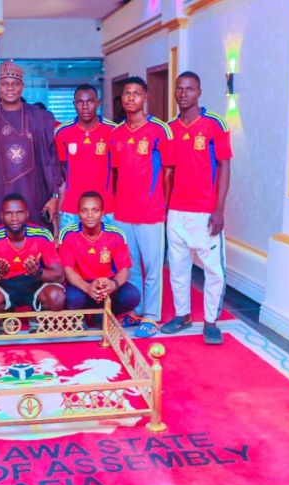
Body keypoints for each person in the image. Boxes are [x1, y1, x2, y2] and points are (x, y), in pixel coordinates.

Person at [161, 71, 233, 345]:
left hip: (205, 212)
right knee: (178, 268)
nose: (183, 94)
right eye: (179, 89)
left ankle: (211, 322)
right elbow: (168, 171)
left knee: (214, 270)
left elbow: (225, 166)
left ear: (199, 92)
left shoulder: (214, 124)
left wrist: (219, 209)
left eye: (189, 89)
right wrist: (166, 208)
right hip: (177, 211)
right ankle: (183, 316)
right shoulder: (170, 128)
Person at [0, 61, 63, 231]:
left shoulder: (40, 118)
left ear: (22, 87)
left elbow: (51, 162)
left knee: (36, 241)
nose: (10, 88)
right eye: (4, 84)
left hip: (36, 198)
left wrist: (54, 196)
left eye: (15, 84)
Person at [109, 76, 175, 337]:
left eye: (136, 93)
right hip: (123, 212)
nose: (131, 98)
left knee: (153, 266)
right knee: (131, 265)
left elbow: (168, 171)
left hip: (151, 211)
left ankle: (152, 315)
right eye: (127, 93)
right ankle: (136, 310)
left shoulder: (159, 130)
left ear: (145, 97)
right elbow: (115, 174)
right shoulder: (116, 133)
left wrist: (163, 206)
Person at [0, 194, 65, 313]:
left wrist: (38, 272)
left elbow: (59, 275)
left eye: (19, 213)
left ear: (27, 214)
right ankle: (8, 317)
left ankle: (37, 317)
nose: (14, 218)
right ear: (2, 216)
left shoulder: (42, 235)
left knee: (56, 296)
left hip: (35, 283)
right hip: (4, 284)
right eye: (9, 213)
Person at [60, 191, 140, 319]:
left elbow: (124, 270)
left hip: (106, 283)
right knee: (72, 298)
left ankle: (103, 314)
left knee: (132, 295)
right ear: (78, 214)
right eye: (84, 211)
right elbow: (68, 270)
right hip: (81, 285)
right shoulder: (68, 234)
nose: (90, 215)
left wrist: (113, 285)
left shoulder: (116, 235)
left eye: (95, 210)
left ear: (102, 213)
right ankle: (82, 316)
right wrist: (87, 288)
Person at [55, 85, 118, 229]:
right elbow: (62, 167)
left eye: (90, 101)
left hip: (106, 207)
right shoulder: (62, 132)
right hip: (72, 207)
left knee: (108, 244)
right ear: (74, 104)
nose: (85, 106)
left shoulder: (113, 131)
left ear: (98, 103)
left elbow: (117, 171)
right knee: (69, 243)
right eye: (80, 102)